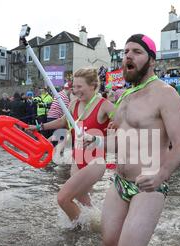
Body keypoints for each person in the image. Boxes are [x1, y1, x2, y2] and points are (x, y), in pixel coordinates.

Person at [101, 34, 180, 246]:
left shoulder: (166, 94)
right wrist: (96, 141)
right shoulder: (125, 97)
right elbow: (118, 142)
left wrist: (161, 176)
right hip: (119, 182)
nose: (128, 56)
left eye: (136, 52)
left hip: (148, 187)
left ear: (151, 60)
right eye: (125, 51)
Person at [28, 68, 115, 224]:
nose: (75, 90)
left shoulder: (105, 105)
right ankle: (100, 225)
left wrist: (114, 128)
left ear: (93, 85)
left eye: (79, 87)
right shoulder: (74, 104)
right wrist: (40, 127)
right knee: (83, 201)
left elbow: (126, 125)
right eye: (74, 86)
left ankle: (80, 229)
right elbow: (62, 122)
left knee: (63, 198)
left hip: (95, 162)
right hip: (77, 160)